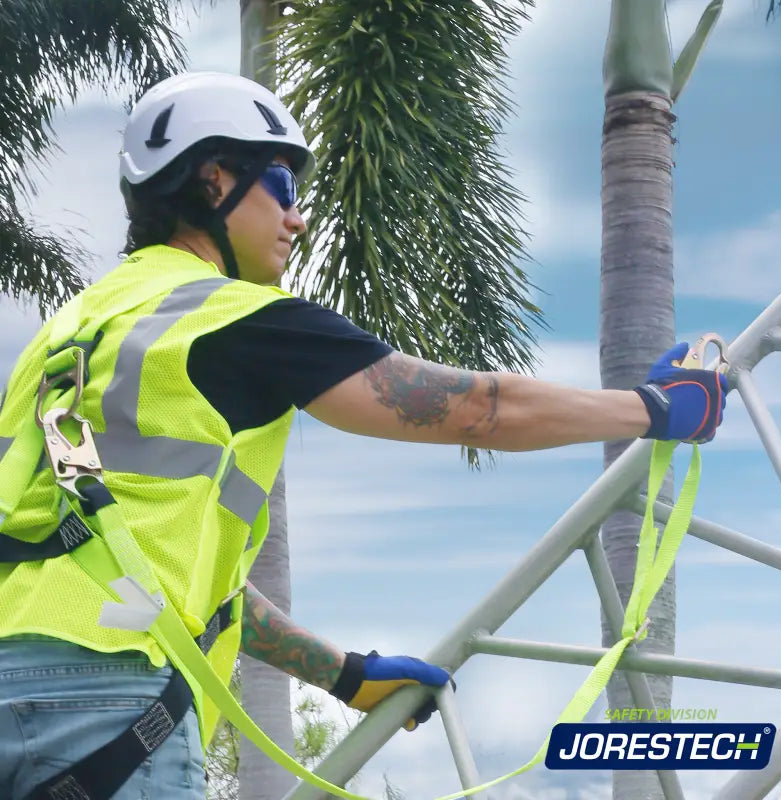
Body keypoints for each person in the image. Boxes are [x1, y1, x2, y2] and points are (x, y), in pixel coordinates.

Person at [0, 72, 728, 800]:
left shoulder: (63, 339)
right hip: (112, 701)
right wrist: (657, 409)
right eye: (282, 185)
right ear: (212, 178)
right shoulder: (233, 318)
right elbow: (481, 410)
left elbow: (148, 571)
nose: (298, 219)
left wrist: (342, 674)